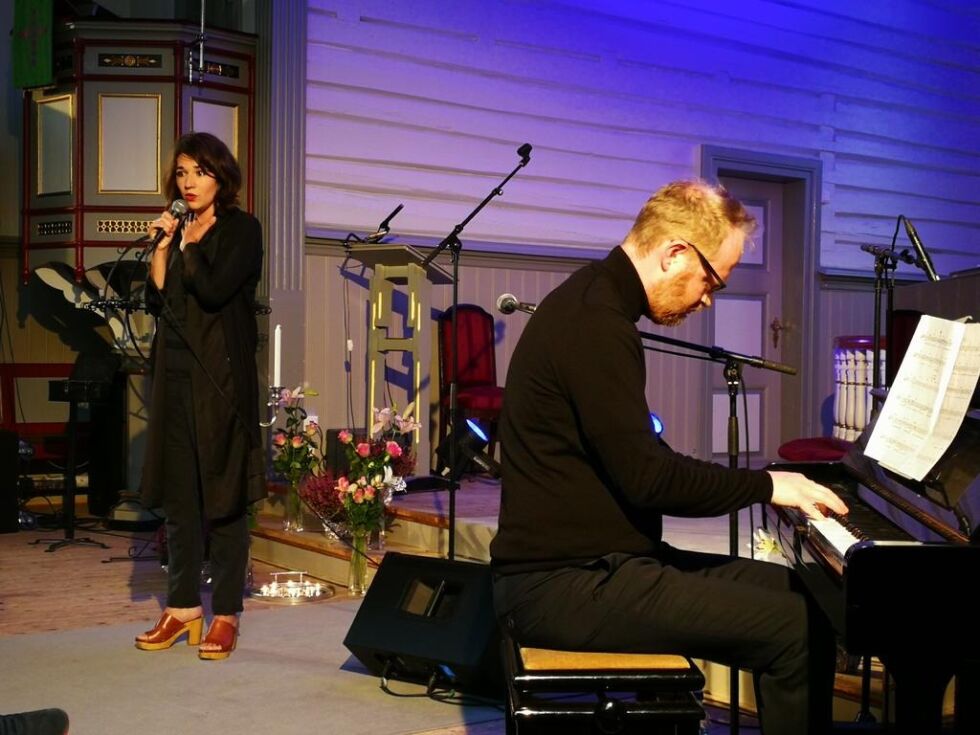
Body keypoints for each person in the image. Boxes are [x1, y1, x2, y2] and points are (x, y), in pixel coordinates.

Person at [489, 180, 848, 735]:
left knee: (804, 597)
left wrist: (766, 485)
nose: (706, 298)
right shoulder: (595, 324)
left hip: (604, 566)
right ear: (675, 251)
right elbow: (650, 481)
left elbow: (642, 459)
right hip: (560, 585)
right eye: (711, 280)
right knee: (794, 630)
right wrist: (769, 485)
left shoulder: (598, 304)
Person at [135, 132, 265, 660]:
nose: (188, 183)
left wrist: (189, 247)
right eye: (183, 173)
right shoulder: (180, 230)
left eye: (200, 172)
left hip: (222, 380)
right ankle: (183, 605)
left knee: (226, 499)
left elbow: (212, 291)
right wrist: (164, 248)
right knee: (181, 500)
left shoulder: (242, 230)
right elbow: (159, 300)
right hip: (177, 375)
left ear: (221, 177)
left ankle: (227, 613)